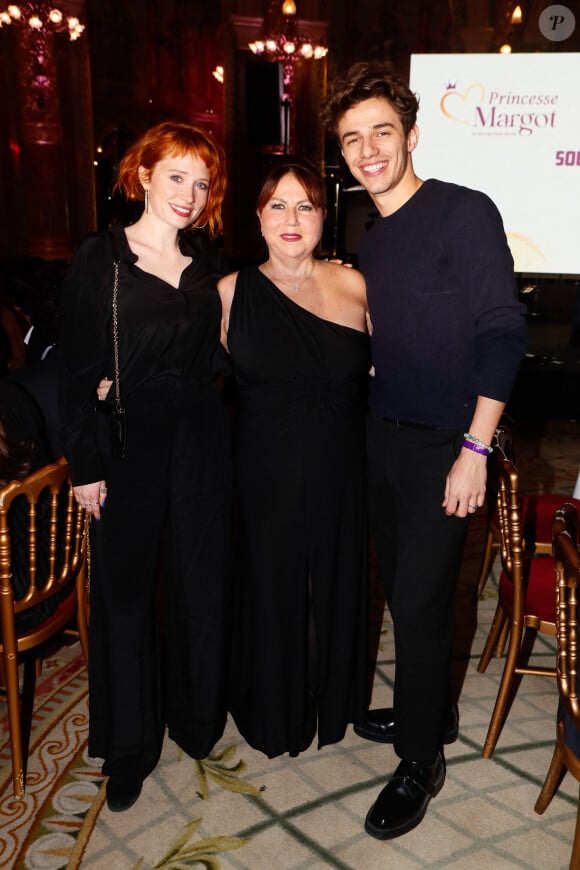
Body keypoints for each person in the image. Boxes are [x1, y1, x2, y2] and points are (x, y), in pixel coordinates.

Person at [321, 63, 527, 839]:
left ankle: (420, 760)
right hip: (384, 438)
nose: (368, 150)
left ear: (411, 135)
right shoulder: (370, 239)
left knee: (418, 602)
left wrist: (475, 447)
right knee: (403, 589)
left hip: (448, 443)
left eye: (382, 132)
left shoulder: (462, 212)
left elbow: (501, 332)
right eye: (352, 139)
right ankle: (430, 713)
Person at [59, 121, 232, 813]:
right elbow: (74, 370)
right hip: (125, 444)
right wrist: (84, 465)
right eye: (176, 176)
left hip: (201, 436)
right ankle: (128, 746)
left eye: (200, 181)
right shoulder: (99, 257)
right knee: (126, 595)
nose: (189, 193)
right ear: (143, 175)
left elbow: (221, 356)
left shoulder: (207, 262)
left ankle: (194, 721)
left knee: (199, 581)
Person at [217, 158, 371, 758]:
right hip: (263, 474)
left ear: (322, 219)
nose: (291, 218)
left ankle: (330, 699)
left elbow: (395, 369)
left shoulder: (355, 286)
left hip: (339, 468)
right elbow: (185, 380)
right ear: (257, 218)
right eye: (277, 205)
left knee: (331, 578)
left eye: (305, 205)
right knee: (272, 584)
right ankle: (275, 708)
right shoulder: (229, 294)